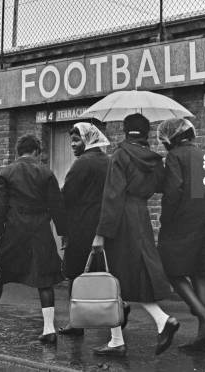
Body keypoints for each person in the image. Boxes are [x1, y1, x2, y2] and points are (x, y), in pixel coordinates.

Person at [0, 134, 66, 346]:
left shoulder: (6, 173)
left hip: (13, 233)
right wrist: (64, 232)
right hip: (40, 232)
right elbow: (58, 206)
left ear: (18, 151)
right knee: (45, 279)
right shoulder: (46, 174)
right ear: (37, 151)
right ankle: (49, 330)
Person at [91, 113, 179, 357]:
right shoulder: (154, 159)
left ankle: (156, 323)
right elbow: (161, 186)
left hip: (121, 220)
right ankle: (121, 337)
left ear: (125, 130)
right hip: (141, 216)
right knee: (134, 276)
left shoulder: (120, 155)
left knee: (116, 279)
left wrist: (101, 233)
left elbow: (112, 196)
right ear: (146, 133)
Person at [156, 118, 205, 352]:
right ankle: (204, 338)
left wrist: (166, 219)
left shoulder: (175, 156)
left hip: (184, 217)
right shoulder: (202, 154)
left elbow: (174, 190)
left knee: (172, 269)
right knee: (199, 272)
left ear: (170, 138)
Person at [58, 121, 118, 336]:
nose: (72, 145)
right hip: (105, 226)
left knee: (75, 273)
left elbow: (67, 196)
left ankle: (77, 323)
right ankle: (114, 318)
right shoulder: (109, 161)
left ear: (88, 139)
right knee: (105, 273)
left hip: (82, 226)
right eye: (71, 141)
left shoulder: (82, 163)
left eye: (76, 140)